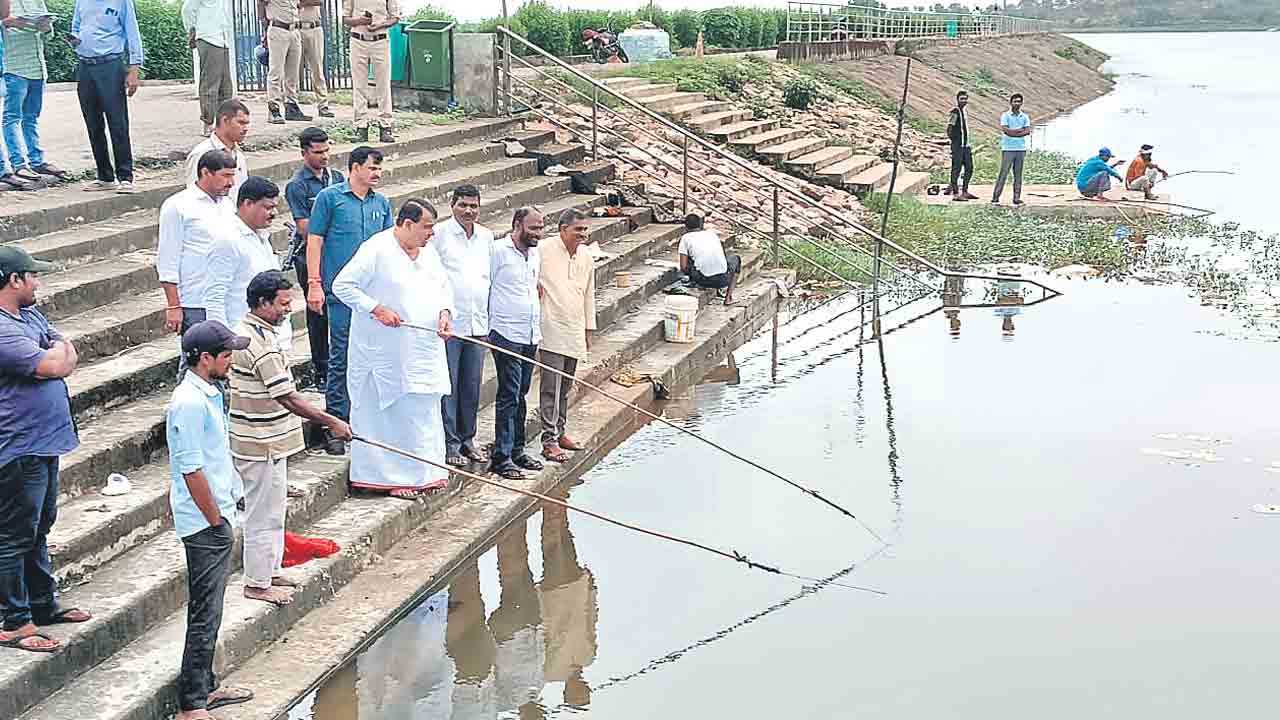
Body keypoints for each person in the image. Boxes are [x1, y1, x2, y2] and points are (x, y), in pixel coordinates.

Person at [229, 271, 351, 607]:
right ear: (263, 303)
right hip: (258, 441)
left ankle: (267, 570)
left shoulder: (259, 333)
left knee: (273, 510)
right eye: (283, 304)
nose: (288, 309)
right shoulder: (255, 342)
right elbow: (288, 397)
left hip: (268, 438)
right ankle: (256, 582)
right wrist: (331, 421)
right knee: (262, 513)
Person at [331, 200, 455, 497]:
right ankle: (387, 478)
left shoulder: (429, 254)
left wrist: (446, 314)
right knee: (387, 415)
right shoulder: (376, 249)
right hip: (384, 351)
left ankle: (426, 472)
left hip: (424, 349)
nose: (431, 234)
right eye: (426, 227)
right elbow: (342, 286)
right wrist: (376, 308)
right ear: (407, 224)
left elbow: (444, 288)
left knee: (422, 410)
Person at [0, 246, 87, 655]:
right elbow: (55, 364)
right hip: (18, 447)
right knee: (14, 535)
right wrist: (56, 355)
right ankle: (15, 621)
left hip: (44, 443)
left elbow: (64, 347)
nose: (39, 282)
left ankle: (42, 604)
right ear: (13, 280)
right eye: (32, 276)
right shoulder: (1, 328)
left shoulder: (29, 316)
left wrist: (57, 352)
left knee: (40, 527)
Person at [166, 320, 255, 719]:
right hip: (204, 524)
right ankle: (193, 703)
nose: (231, 360)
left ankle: (208, 686)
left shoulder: (209, 393)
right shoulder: (187, 401)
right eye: (226, 354)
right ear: (206, 359)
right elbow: (190, 469)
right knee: (205, 613)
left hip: (217, 513)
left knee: (213, 610)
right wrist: (215, 519)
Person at [305, 145, 391, 454]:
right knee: (339, 357)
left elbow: (387, 248)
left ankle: (365, 421)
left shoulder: (381, 203)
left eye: (380, 168)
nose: (377, 173)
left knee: (371, 358)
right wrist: (314, 284)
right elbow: (315, 240)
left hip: (371, 298)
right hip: (340, 294)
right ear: (354, 167)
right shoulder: (330, 198)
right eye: (372, 167)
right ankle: (336, 424)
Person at [157, 149, 238, 380]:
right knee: (195, 365)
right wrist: (174, 305)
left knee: (221, 364)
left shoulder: (228, 205)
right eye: (225, 176)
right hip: (194, 299)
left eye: (233, 176)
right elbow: (167, 258)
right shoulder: (178, 206)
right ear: (205, 172)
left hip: (222, 297)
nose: (231, 183)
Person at [434, 184, 493, 468]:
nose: (469, 211)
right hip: (450, 323)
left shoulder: (486, 236)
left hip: (478, 321)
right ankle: (451, 443)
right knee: (450, 385)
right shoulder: (440, 235)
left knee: (471, 384)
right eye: (463, 205)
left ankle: (468, 438)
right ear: (452, 205)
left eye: (473, 206)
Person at [487, 207, 546, 480]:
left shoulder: (535, 253)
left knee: (521, 394)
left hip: (530, 332)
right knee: (509, 394)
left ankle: (518, 449)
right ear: (517, 225)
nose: (538, 234)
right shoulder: (497, 251)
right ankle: (502, 456)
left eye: (541, 228)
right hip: (505, 332)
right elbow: (483, 286)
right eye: (533, 228)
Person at [285, 127, 342, 390]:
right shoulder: (298, 185)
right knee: (317, 315)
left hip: (337, 254)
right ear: (304, 153)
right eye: (318, 152)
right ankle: (321, 370)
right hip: (310, 256)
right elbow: (305, 228)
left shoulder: (337, 177)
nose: (324, 156)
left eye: (326, 150)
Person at [538, 208, 596, 463]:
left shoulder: (586, 256)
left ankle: (560, 431)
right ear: (563, 229)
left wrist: (588, 329)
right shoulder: (543, 250)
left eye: (585, 229)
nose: (583, 234)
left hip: (574, 327)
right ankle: (548, 440)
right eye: (578, 230)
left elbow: (589, 295)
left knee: (565, 387)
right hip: (550, 327)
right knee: (551, 386)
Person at [69, 0, 143, 193]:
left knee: (117, 122)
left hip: (110, 65)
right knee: (93, 123)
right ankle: (104, 176)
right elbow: (76, 26)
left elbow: (132, 33)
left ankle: (125, 176)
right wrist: (75, 39)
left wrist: (134, 70)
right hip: (85, 66)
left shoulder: (122, 2)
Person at [1, 0, 66, 191]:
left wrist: (46, 28)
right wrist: (6, 23)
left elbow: (48, 35)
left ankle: (37, 160)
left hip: (37, 68)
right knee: (12, 118)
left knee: (31, 118)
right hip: (14, 68)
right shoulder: (6, 4)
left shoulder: (37, 2)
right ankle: (18, 164)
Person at [203, 177, 280, 332]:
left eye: (274, 207)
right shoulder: (227, 240)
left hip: (269, 334)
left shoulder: (262, 236)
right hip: (241, 334)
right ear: (248, 203)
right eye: (268, 207)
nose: (274, 213)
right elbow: (214, 297)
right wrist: (224, 339)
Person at [343, 0, 398, 143]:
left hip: (380, 40)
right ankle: (361, 127)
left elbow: (395, 17)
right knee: (359, 85)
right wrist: (360, 21)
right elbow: (345, 19)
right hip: (358, 40)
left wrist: (380, 24)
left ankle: (385, 126)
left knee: (383, 84)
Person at [181, 0, 233, 136]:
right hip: (208, 37)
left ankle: (224, 123)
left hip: (222, 39)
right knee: (210, 83)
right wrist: (192, 30)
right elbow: (187, 9)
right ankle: (208, 122)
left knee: (225, 85)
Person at [185, 97, 250, 199]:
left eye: (247, 124)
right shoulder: (201, 153)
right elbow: (194, 196)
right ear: (225, 121)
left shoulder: (239, 156)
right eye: (241, 123)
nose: (246, 129)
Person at [258, 0, 310, 125]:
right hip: (278, 28)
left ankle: (291, 105)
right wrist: (265, 29)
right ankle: (274, 108)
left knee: (292, 73)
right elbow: (261, 4)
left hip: (294, 29)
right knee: (276, 71)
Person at [677, 213, 741, 305]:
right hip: (724, 279)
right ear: (700, 224)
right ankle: (728, 297)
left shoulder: (685, 238)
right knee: (736, 259)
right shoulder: (712, 234)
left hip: (703, 280)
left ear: (686, 227)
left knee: (689, 258)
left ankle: (694, 282)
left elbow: (683, 267)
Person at [992, 92, 1031, 206]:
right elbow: (1006, 130)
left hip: (1020, 149)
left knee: (1018, 175)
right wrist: (1019, 131)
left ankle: (1016, 198)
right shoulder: (1005, 116)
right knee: (1003, 174)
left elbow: (1027, 131)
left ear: (1022, 103)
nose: (1017, 103)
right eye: (1015, 101)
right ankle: (995, 197)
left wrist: (1014, 132)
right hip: (1008, 149)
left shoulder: (1024, 116)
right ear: (1011, 103)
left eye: (1019, 101)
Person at [298, 0, 332, 118]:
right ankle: (292, 106)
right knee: (292, 72)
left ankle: (323, 105)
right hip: (295, 27)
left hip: (314, 26)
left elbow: (319, 1)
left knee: (317, 69)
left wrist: (301, 2)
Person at [946, 90, 976, 201]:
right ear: (957, 100)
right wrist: (954, 142)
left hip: (966, 145)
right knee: (956, 169)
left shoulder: (965, 111)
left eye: (965, 99)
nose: (964, 101)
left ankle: (965, 191)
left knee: (969, 168)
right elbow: (949, 128)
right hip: (958, 146)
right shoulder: (955, 112)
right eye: (961, 99)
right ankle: (955, 193)